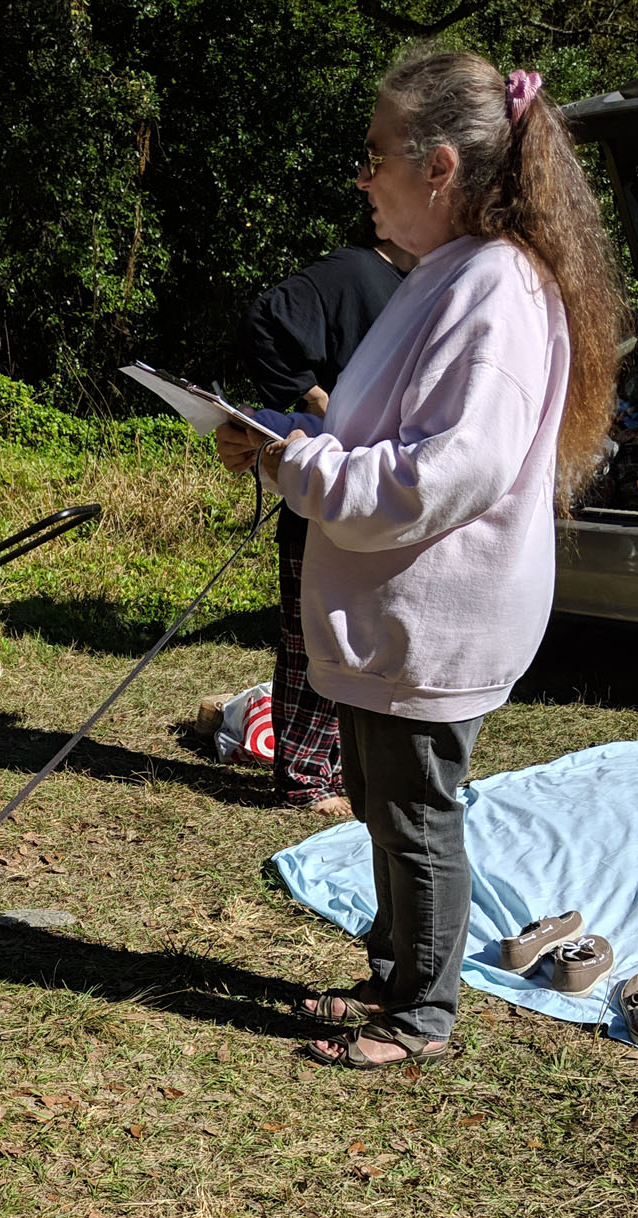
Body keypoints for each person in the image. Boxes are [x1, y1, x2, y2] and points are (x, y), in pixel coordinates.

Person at [217, 52, 625, 1069]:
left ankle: (419, 1016)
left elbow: (448, 470)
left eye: (374, 156)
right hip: (407, 613)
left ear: (437, 167)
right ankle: (393, 974)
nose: (363, 177)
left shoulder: (489, 287)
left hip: (436, 618)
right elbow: (391, 435)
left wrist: (299, 464)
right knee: (383, 798)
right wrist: (282, 446)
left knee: (414, 818)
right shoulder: (450, 273)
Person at [238, 240, 416, 815]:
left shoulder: (428, 284)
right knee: (312, 636)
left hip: (370, 490)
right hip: (319, 480)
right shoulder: (357, 269)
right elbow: (266, 317)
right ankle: (305, 779)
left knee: (358, 635)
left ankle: (334, 767)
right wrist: (315, 400)